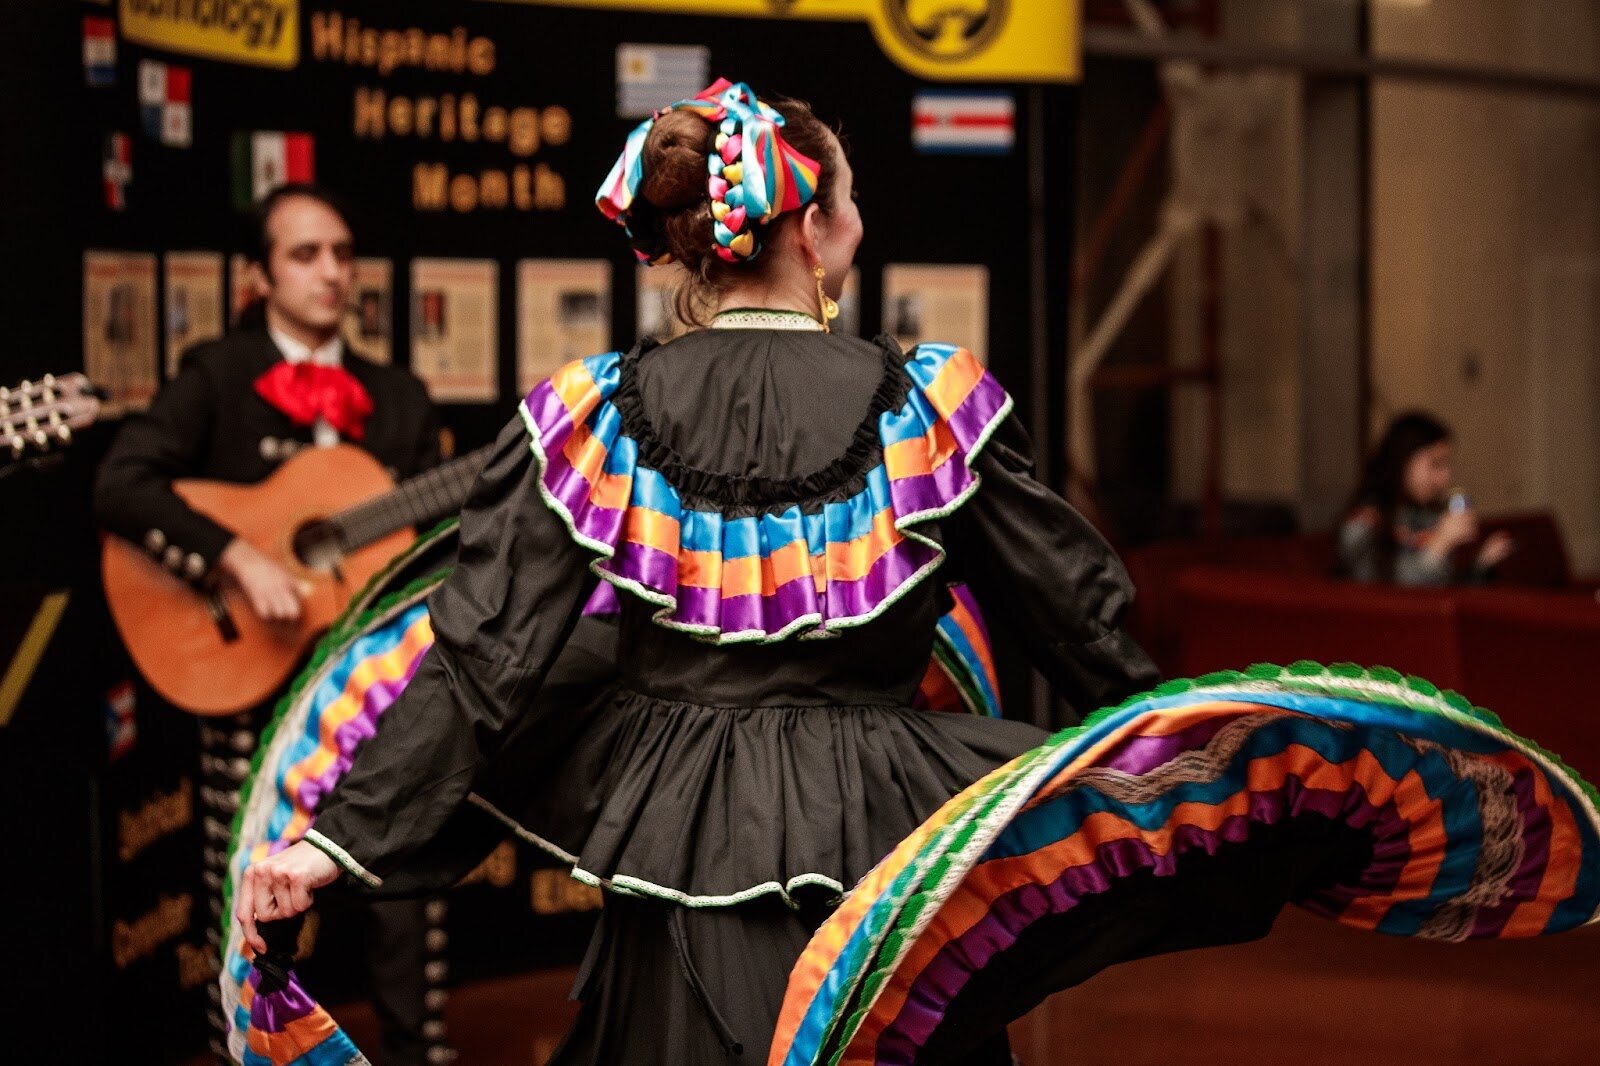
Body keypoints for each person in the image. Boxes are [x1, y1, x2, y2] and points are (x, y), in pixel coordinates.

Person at [234, 81, 1161, 1063]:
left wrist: (334, 839)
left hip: (674, 832)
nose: (857, 220)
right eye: (846, 201)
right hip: (884, 841)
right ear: (812, 230)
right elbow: (1073, 621)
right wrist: (1201, 746)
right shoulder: (924, 406)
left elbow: (484, 657)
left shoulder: (595, 412)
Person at [95, 184, 444, 1066]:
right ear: (258, 275)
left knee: (406, 888)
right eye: (304, 254)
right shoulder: (217, 373)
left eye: (342, 252)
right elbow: (122, 483)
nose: (332, 271)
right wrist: (239, 559)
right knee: (243, 898)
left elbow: (435, 548)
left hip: (374, 695)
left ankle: (412, 1050)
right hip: (247, 683)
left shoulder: (398, 396)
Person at [1337, 411, 1514, 586]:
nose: (1444, 478)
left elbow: (1441, 591)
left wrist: (1481, 565)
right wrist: (1440, 543)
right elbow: (1381, 592)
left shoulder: (1425, 516)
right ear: (1403, 460)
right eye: (1435, 464)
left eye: (1446, 465)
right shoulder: (1364, 521)